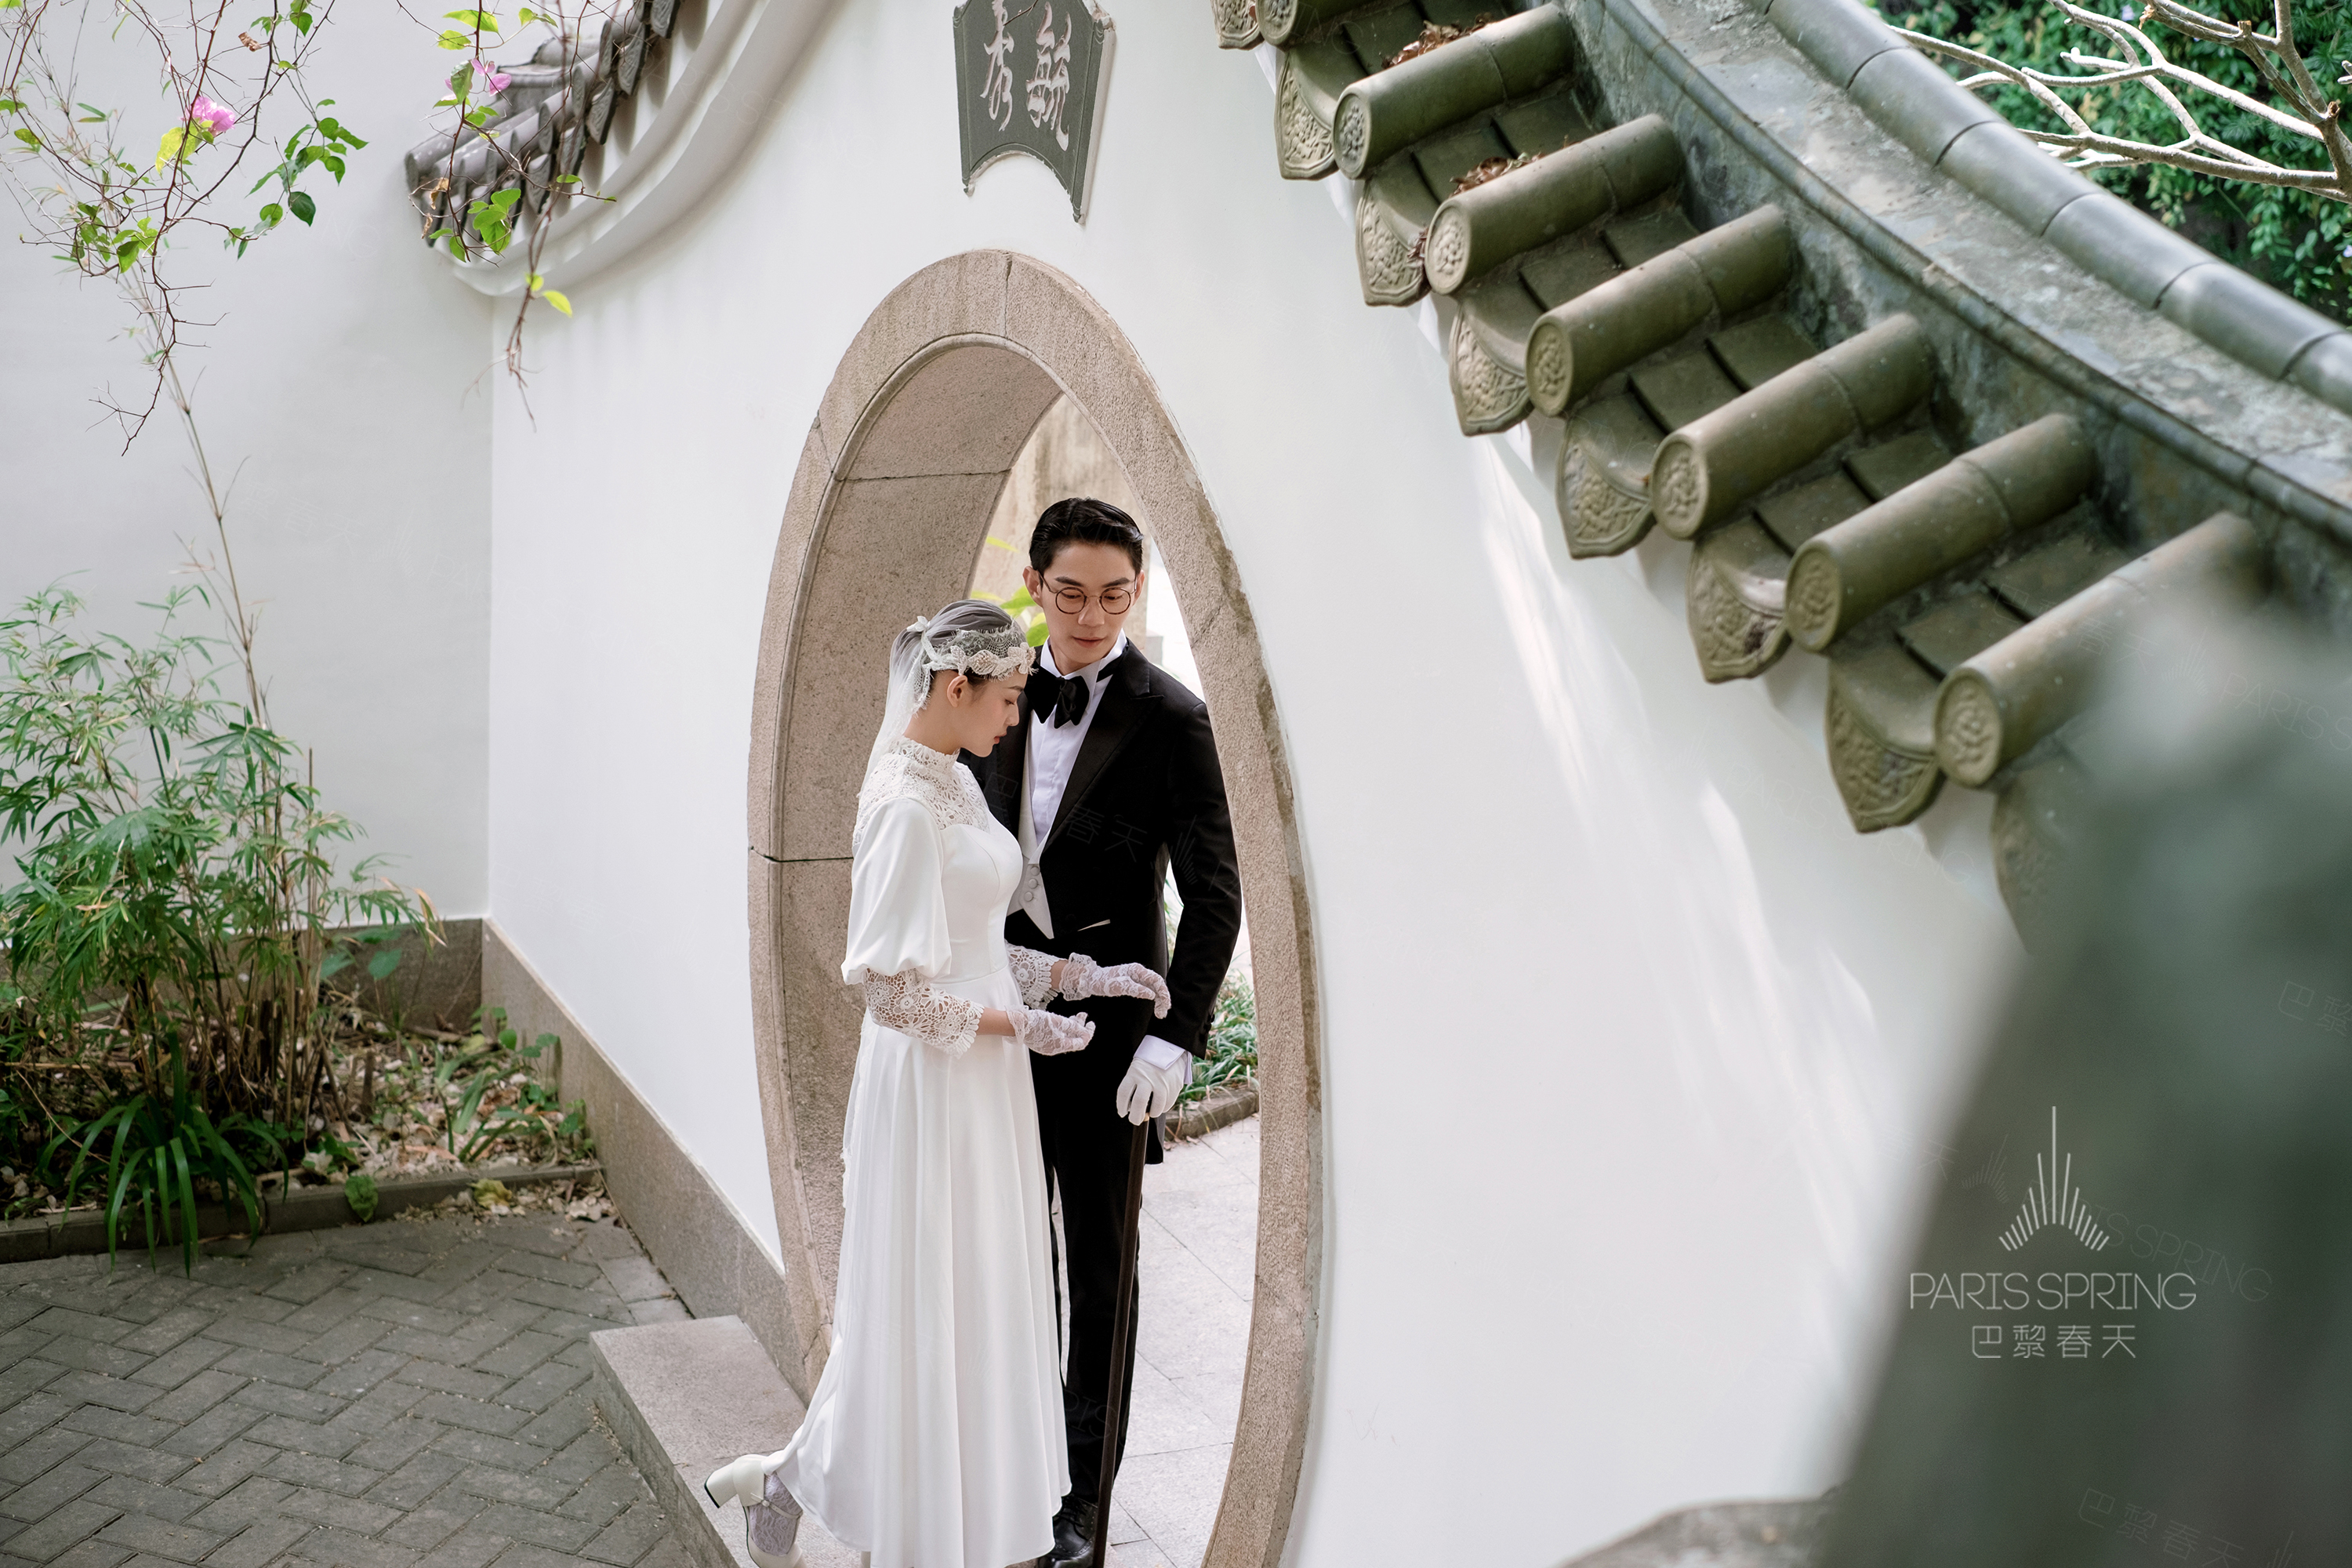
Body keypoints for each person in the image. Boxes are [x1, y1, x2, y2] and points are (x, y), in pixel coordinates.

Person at [702, 599, 1173, 1568]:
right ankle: (822, 1494)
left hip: (983, 1080)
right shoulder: (903, 805)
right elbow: (889, 988)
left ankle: (835, 1493)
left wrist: (1083, 975)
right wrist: (1022, 1027)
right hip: (931, 1086)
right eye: (1005, 698)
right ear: (956, 686)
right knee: (921, 1314)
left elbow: (973, 942)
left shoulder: (950, 775)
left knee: (978, 1303)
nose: (1014, 716)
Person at [963, 499, 1244, 1566]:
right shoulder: (989, 690)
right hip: (998, 1016)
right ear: (1036, 585)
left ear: (1139, 591)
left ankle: (1082, 1504)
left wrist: (1178, 1038)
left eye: (1115, 595)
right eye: (1071, 592)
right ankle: (1017, 1467)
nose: (1090, 616)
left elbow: (1215, 893)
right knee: (1009, 1251)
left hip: (1115, 1033)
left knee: (1100, 1267)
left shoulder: (1173, 717)